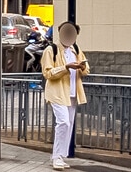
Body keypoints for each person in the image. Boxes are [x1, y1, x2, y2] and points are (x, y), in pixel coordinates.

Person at [40, 21, 88, 169]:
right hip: (57, 92)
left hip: (73, 93)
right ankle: (56, 157)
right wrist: (66, 68)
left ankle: (60, 156)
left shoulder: (76, 50)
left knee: (69, 125)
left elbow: (86, 71)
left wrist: (82, 67)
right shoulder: (51, 50)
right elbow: (48, 73)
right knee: (64, 122)